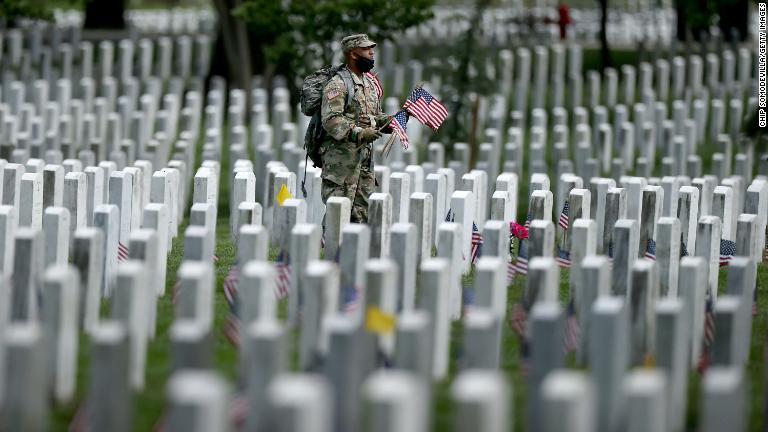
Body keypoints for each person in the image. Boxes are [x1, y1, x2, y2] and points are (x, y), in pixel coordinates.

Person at [320, 33, 392, 223]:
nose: (372, 52)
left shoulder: (369, 84)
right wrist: (360, 133)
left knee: (361, 220)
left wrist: (391, 122)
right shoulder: (337, 84)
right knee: (338, 219)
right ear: (353, 54)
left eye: (372, 48)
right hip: (341, 168)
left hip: (364, 167)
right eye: (366, 49)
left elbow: (375, 116)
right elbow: (331, 120)